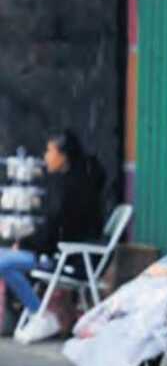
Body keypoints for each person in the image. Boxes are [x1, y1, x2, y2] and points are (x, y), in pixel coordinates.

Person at [3, 130, 103, 343]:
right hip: (62, 252)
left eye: (50, 151)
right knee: (4, 262)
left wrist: (26, 244)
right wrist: (25, 243)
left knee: (3, 262)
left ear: (63, 155)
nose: (45, 156)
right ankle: (38, 313)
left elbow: (58, 231)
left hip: (69, 258)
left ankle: (39, 313)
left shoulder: (75, 189)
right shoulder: (72, 182)